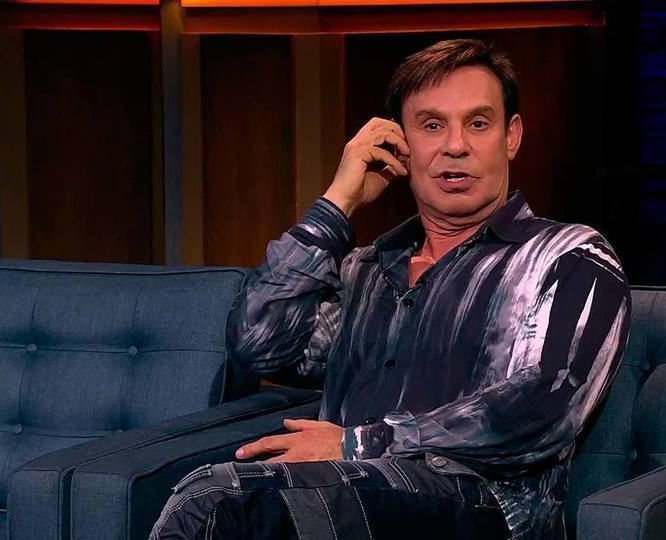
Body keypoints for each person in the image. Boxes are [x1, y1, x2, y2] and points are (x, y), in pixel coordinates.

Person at [150, 38, 631, 540]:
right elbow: (258, 344)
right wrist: (338, 202)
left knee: (215, 504)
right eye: (432, 126)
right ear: (400, 144)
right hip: (346, 499)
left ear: (511, 136)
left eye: (478, 123)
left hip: (483, 511)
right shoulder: (366, 270)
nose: (456, 146)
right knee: (212, 498)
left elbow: (543, 409)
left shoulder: (569, 256)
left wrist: (358, 444)